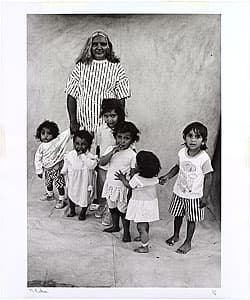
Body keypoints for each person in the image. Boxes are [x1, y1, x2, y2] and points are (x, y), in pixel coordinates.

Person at [159, 122, 213, 254]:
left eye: (197, 137)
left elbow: (209, 177)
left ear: (203, 141)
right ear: (184, 137)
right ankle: (176, 235)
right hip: (179, 192)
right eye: (190, 135)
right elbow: (178, 167)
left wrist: (205, 197)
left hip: (194, 196)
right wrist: (167, 176)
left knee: (191, 219)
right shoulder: (182, 153)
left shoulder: (204, 158)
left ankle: (188, 242)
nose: (193, 139)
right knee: (177, 215)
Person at [65, 30, 131, 135]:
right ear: (89, 47)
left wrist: (120, 122)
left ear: (109, 47)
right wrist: (73, 121)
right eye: (95, 44)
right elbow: (71, 96)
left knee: (107, 150)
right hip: (84, 123)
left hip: (108, 124)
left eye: (103, 44)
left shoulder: (117, 67)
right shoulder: (80, 67)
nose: (99, 47)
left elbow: (121, 98)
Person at [99, 121, 140, 242]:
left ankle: (126, 232)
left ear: (132, 140)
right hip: (110, 185)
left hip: (122, 188)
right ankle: (115, 226)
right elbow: (102, 162)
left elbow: (133, 173)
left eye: (126, 138)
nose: (122, 141)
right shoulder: (111, 149)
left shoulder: (132, 155)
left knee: (123, 210)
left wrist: (130, 188)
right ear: (115, 137)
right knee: (112, 207)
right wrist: (112, 152)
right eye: (119, 137)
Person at [115, 151, 161, 253]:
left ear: (140, 167)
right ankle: (144, 236)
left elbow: (128, 185)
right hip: (150, 204)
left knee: (140, 227)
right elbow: (158, 181)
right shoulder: (153, 178)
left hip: (141, 205)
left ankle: (145, 246)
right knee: (145, 223)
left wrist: (122, 178)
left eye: (136, 163)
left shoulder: (137, 178)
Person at [94, 99, 125, 226]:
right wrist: (97, 161)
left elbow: (131, 147)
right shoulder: (101, 129)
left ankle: (110, 212)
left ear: (119, 115)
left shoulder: (124, 129)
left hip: (117, 165)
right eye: (106, 116)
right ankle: (103, 205)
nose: (110, 119)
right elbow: (98, 146)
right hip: (104, 163)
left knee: (113, 187)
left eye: (113, 116)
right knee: (102, 186)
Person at [61, 130, 98, 220]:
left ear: (88, 145)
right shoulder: (70, 154)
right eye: (77, 144)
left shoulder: (89, 156)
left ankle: (83, 212)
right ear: (73, 143)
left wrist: (82, 157)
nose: (79, 147)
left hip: (84, 181)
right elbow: (67, 163)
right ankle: (72, 210)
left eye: (83, 144)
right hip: (73, 179)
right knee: (71, 194)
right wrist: (63, 171)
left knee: (84, 197)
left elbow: (91, 166)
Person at [34, 120, 71, 209]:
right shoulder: (41, 146)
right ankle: (50, 195)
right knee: (48, 183)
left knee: (59, 185)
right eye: (43, 133)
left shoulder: (57, 141)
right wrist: (39, 170)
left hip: (56, 168)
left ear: (54, 134)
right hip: (46, 169)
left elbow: (65, 135)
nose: (46, 136)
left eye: (49, 133)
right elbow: (37, 158)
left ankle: (62, 199)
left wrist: (71, 129)